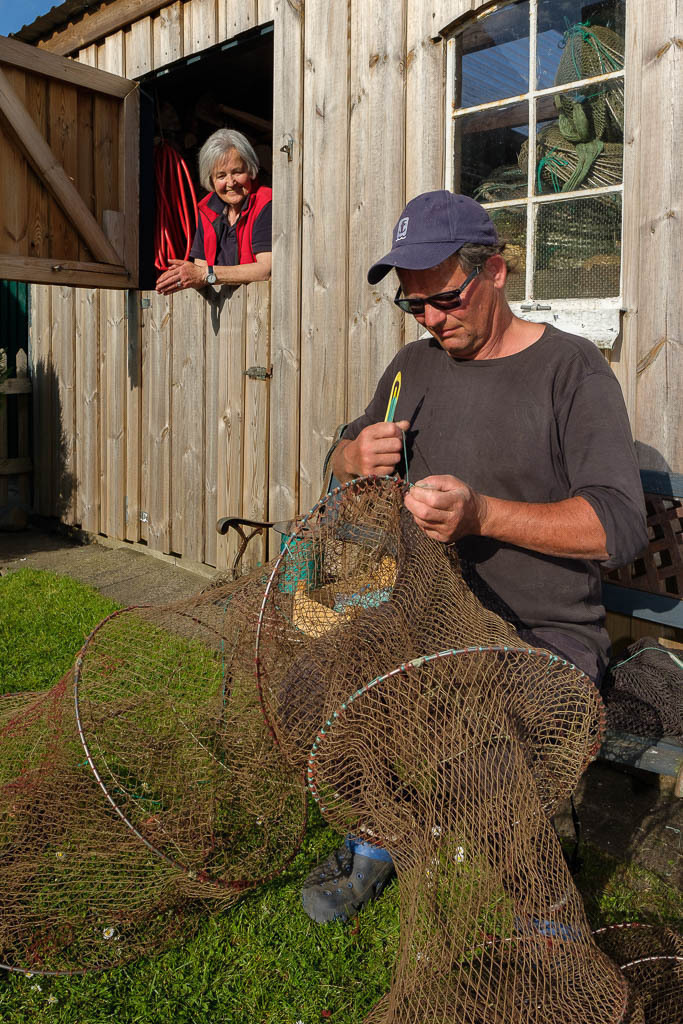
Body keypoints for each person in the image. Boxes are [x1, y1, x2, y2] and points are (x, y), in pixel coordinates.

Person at [301, 189, 647, 925]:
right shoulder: (412, 367)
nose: (431, 319)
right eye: (413, 305)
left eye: (446, 299)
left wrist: (482, 514)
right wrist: (350, 455)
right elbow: (343, 448)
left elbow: (619, 525)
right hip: (421, 616)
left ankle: (542, 908)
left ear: (495, 272)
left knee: (495, 744)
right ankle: (373, 841)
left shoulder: (570, 371)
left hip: (540, 634)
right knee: (338, 669)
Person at [156, 129, 272, 295]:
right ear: (210, 179)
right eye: (221, 176)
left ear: (251, 170)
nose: (231, 182)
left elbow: (265, 270)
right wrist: (182, 275)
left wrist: (205, 274)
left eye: (237, 172)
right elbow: (200, 270)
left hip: (258, 308)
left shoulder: (265, 204)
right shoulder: (207, 211)